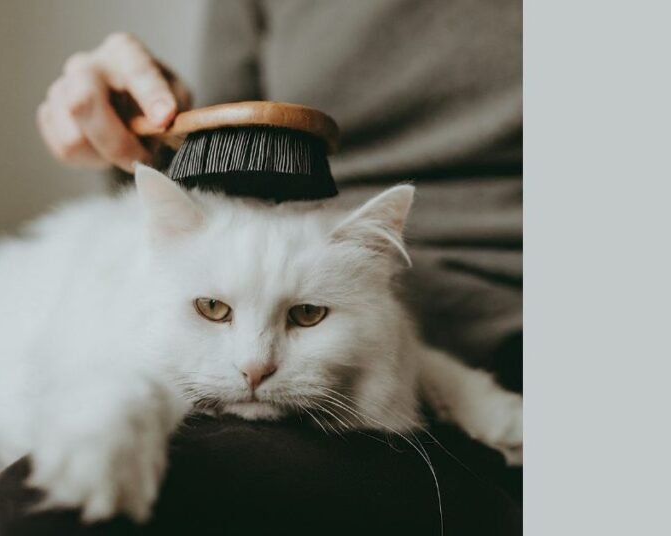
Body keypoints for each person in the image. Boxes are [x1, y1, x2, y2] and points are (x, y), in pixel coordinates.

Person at [35, 0, 522, 391]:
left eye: (305, 316)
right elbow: (221, 178)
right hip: (309, 257)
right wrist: (126, 133)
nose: (255, 364)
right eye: (214, 310)